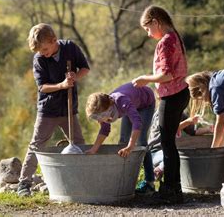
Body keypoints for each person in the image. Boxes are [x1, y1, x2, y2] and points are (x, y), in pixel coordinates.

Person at [18, 23, 90, 196]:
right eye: (39, 51)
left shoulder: (71, 48)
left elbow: (85, 69)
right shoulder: (39, 59)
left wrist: (75, 77)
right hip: (48, 110)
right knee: (37, 145)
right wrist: (62, 85)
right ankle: (24, 183)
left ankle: (83, 181)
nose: (43, 53)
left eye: (44, 49)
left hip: (68, 108)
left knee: (78, 143)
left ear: (53, 40)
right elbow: (42, 87)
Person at [132, 5, 189, 204]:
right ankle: (175, 187)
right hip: (181, 93)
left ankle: (169, 190)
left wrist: (145, 79)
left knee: (167, 144)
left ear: (156, 22)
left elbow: (166, 75)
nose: (148, 34)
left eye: (148, 29)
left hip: (172, 96)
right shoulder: (175, 36)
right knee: (169, 143)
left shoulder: (165, 42)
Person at [85, 83, 156, 195]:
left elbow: (137, 123)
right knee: (123, 141)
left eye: (98, 116)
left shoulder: (121, 101)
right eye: (95, 117)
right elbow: (105, 130)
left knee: (141, 142)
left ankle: (150, 182)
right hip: (133, 104)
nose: (98, 120)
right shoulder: (105, 108)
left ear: (108, 109)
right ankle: (125, 181)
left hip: (146, 103)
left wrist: (131, 146)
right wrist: (94, 149)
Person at [148, 111, 214, 181]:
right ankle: (156, 172)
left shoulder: (181, 113)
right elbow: (168, 130)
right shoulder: (162, 112)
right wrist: (188, 122)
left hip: (168, 151)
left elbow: (193, 131)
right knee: (176, 157)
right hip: (156, 151)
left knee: (179, 156)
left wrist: (208, 129)